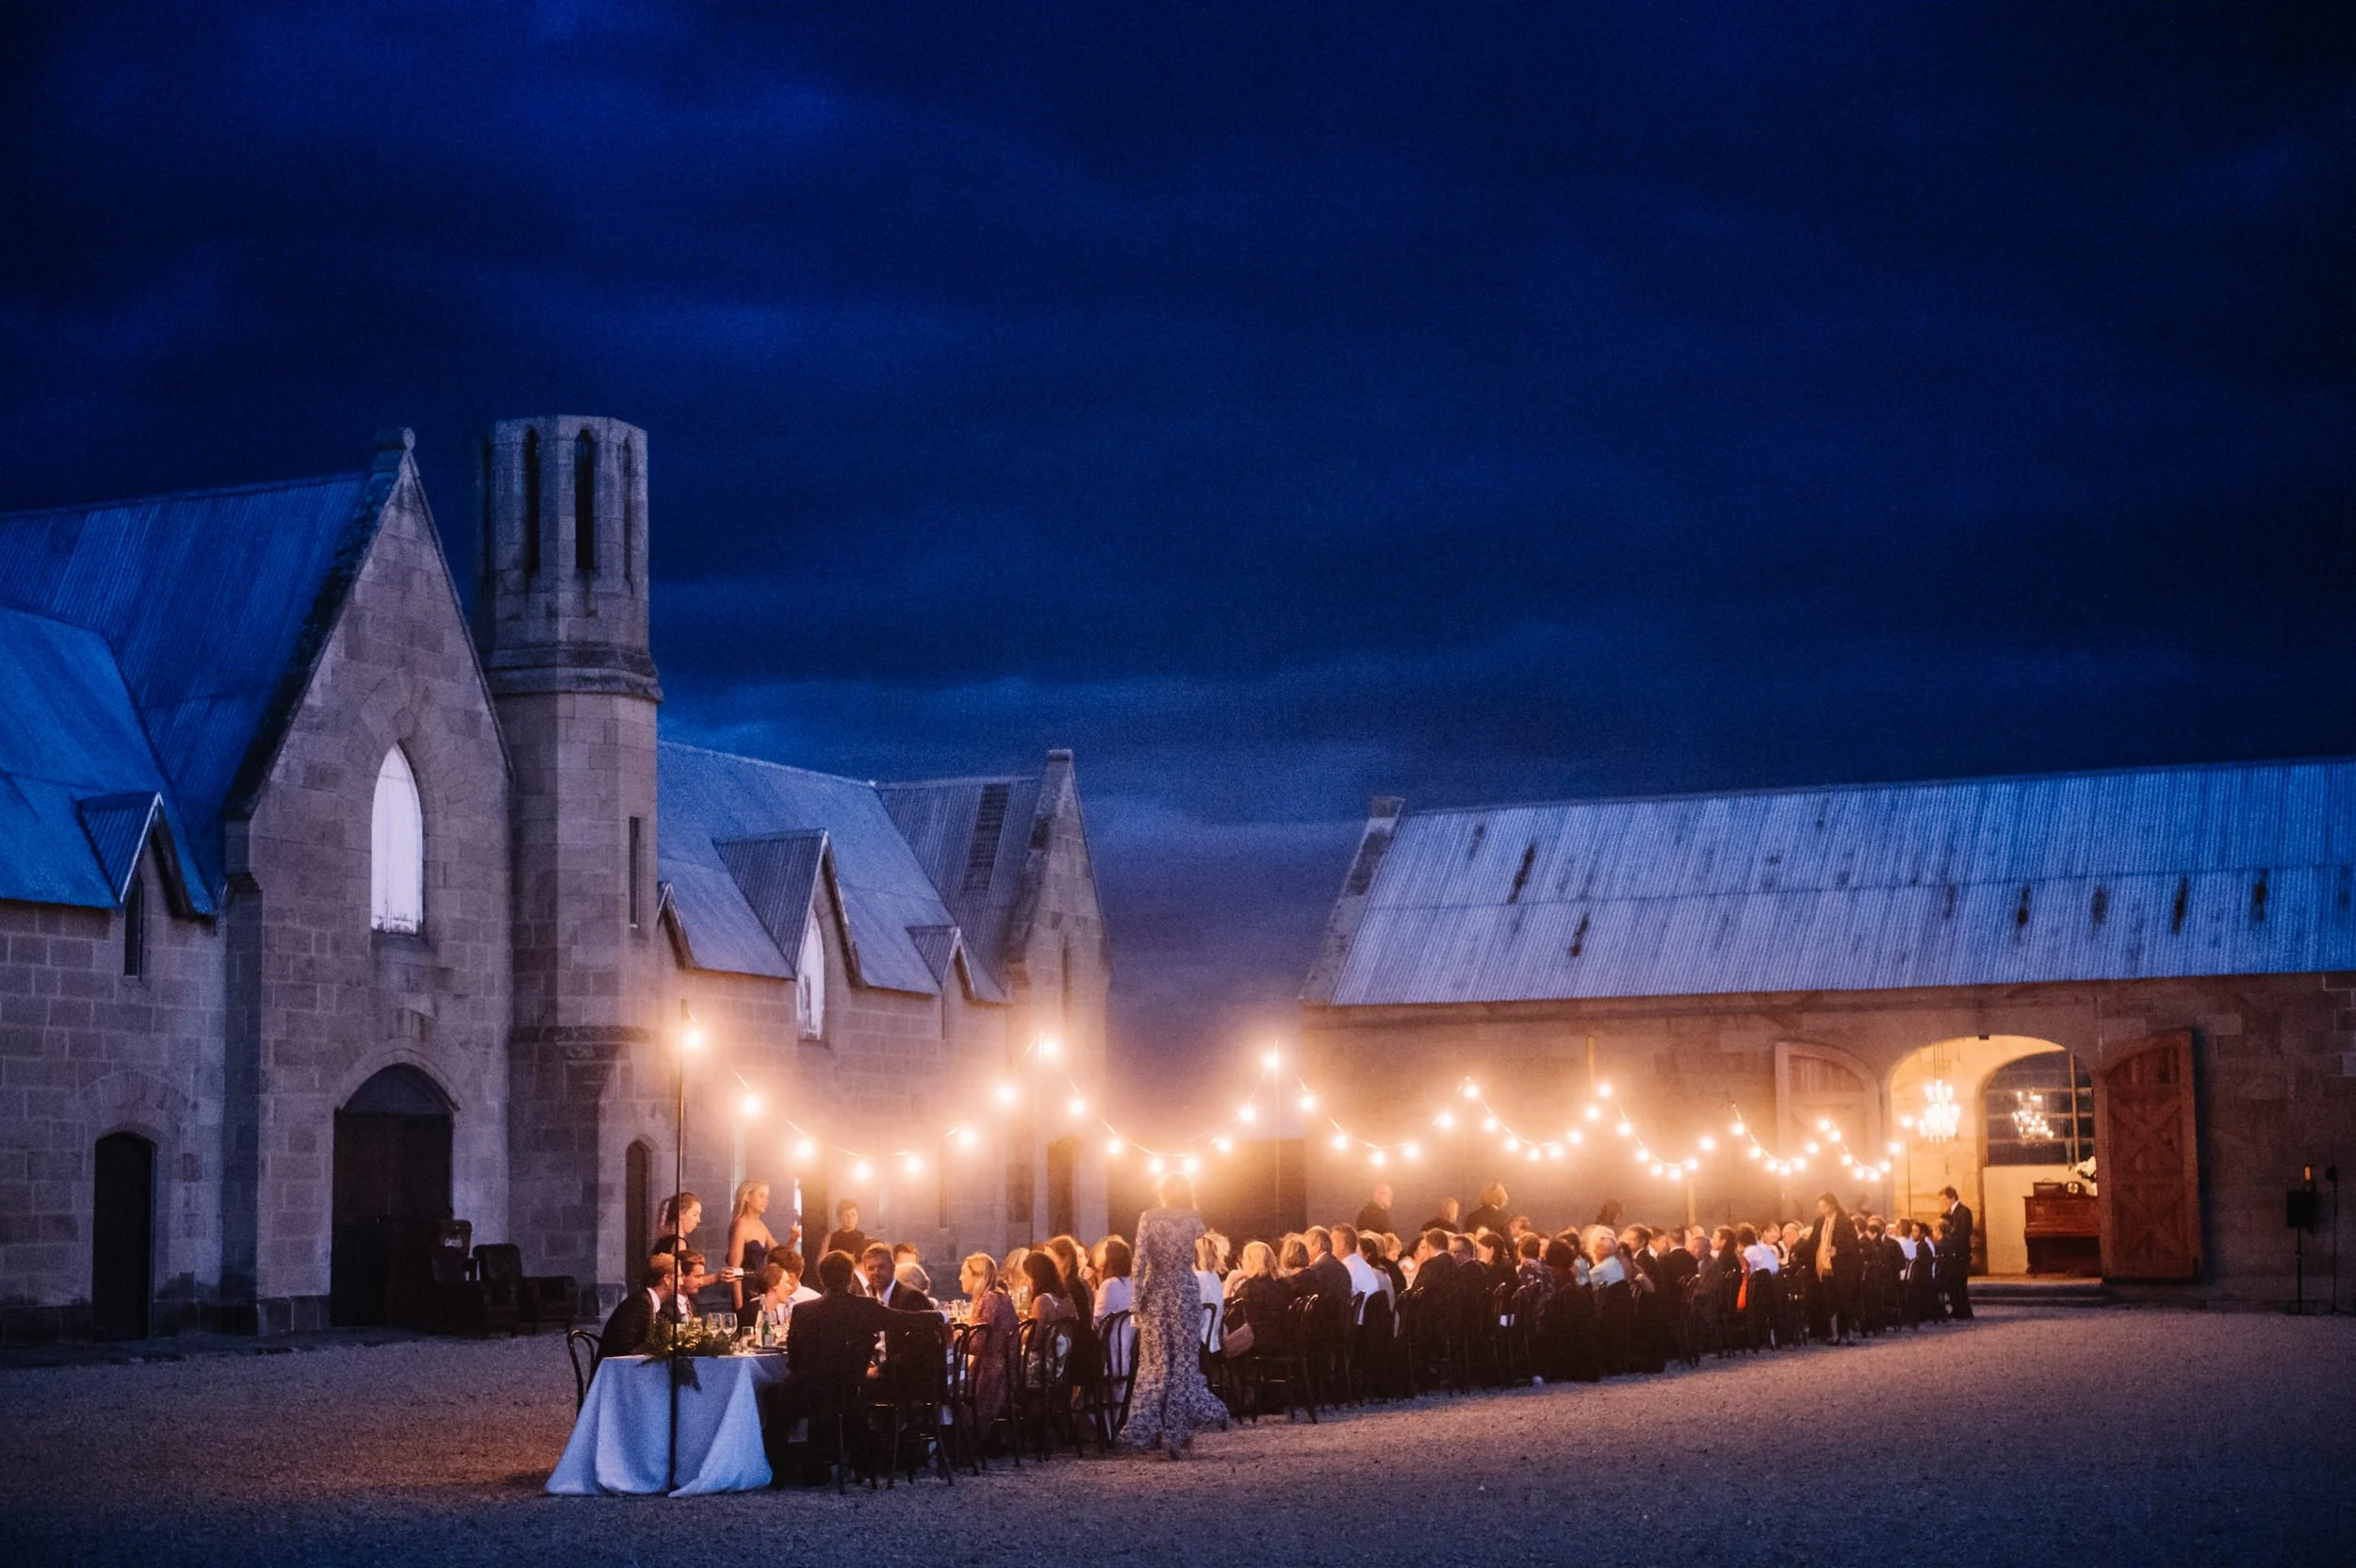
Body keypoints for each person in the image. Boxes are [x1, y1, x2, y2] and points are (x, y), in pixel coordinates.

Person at [761, 1250, 900, 1478]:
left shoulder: (804, 1311)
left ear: (822, 1278)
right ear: (849, 1278)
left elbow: (794, 1360)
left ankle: (779, 1468)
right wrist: (938, 1317)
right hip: (851, 1392)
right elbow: (902, 1318)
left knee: (771, 1396)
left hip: (810, 1394)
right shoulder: (866, 1306)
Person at [1121, 1174, 1231, 1458]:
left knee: (1157, 1365)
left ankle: (1151, 1429)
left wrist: (1136, 1302)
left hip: (1157, 1292)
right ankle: (1179, 1433)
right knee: (1183, 1364)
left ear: (1163, 1194)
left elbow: (1140, 1261)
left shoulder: (1149, 1217)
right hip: (1185, 1289)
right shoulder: (1193, 1218)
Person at [959, 1253, 1019, 1429]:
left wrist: (955, 1338)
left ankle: (956, 1437)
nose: (960, 1277)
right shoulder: (1001, 1296)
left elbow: (976, 1344)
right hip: (1009, 1368)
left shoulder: (988, 1300)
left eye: (964, 1273)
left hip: (991, 1373)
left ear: (977, 1276)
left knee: (944, 1383)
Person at [599, 1253, 676, 1359]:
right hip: (618, 1370)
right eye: (679, 1276)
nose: (682, 1282)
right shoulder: (640, 1303)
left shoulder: (651, 1303)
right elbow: (625, 1347)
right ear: (667, 1279)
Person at [1811, 1192, 1862, 1343]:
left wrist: (1838, 1250)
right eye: (1820, 1207)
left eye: (1824, 1206)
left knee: (1845, 1301)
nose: (1822, 1210)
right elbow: (1814, 1241)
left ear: (1832, 1205)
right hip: (1826, 1267)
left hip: (1842, 1268)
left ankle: (1849, 1334)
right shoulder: (1820, 1222)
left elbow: (1853, 1244)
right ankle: (1835, 1335)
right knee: (1831, 1302)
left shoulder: (1844, 1222)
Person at [726, 1180, 779, 1313]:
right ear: (747, 1196)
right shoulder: (740, 1225)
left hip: (761, 1288)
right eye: (761, 1196)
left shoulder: (761, 1225)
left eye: (767, 1196)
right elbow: (735, 1269)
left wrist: (793, 1239)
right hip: (745, 1289)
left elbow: (779, 1254)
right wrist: (739, 1308)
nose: (766, 1200)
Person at [1939, 1185, 1975, 1319]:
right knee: (1953, 1283)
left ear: (1952, 1197)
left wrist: (1950, 1232)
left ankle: (1964, 1311)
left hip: (1960, 1252)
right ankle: (1957, 1308)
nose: (1944, 1202)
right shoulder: (1949, 1212)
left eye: (1945, 1199)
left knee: (1960, 1283)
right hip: (1952, 1252)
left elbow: (1965, 1231)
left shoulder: (1963, 1211)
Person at [860, 1243, 931, 1310]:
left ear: (893, 1267)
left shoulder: (913, 1297)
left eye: (881, 1267)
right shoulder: (868, 1301)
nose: (876, 1272)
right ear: (865, 1272)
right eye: (871, 1268)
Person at [1303, 1226, 1353, 1307]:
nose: (1304, 1251)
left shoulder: (1317, 1270)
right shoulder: (1341, 1267)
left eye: (1305, 1246)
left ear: (1317, 1246)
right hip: (1341, 1318)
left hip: (1325, 1318)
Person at [653, 1192, 702, 1264]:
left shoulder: (663, 1241)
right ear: (681, 1213)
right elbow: (680, 1273)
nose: (698, 1220)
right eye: (695, 1215)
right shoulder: (679, 1243)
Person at [821, 1199, 869, 1265]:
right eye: (846, 1215)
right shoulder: (829, 1238)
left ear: (858, 1216)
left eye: (853, 1214)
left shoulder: (865, 1238)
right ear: (839, 1217)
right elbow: (821, 1262)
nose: (850, 1218)